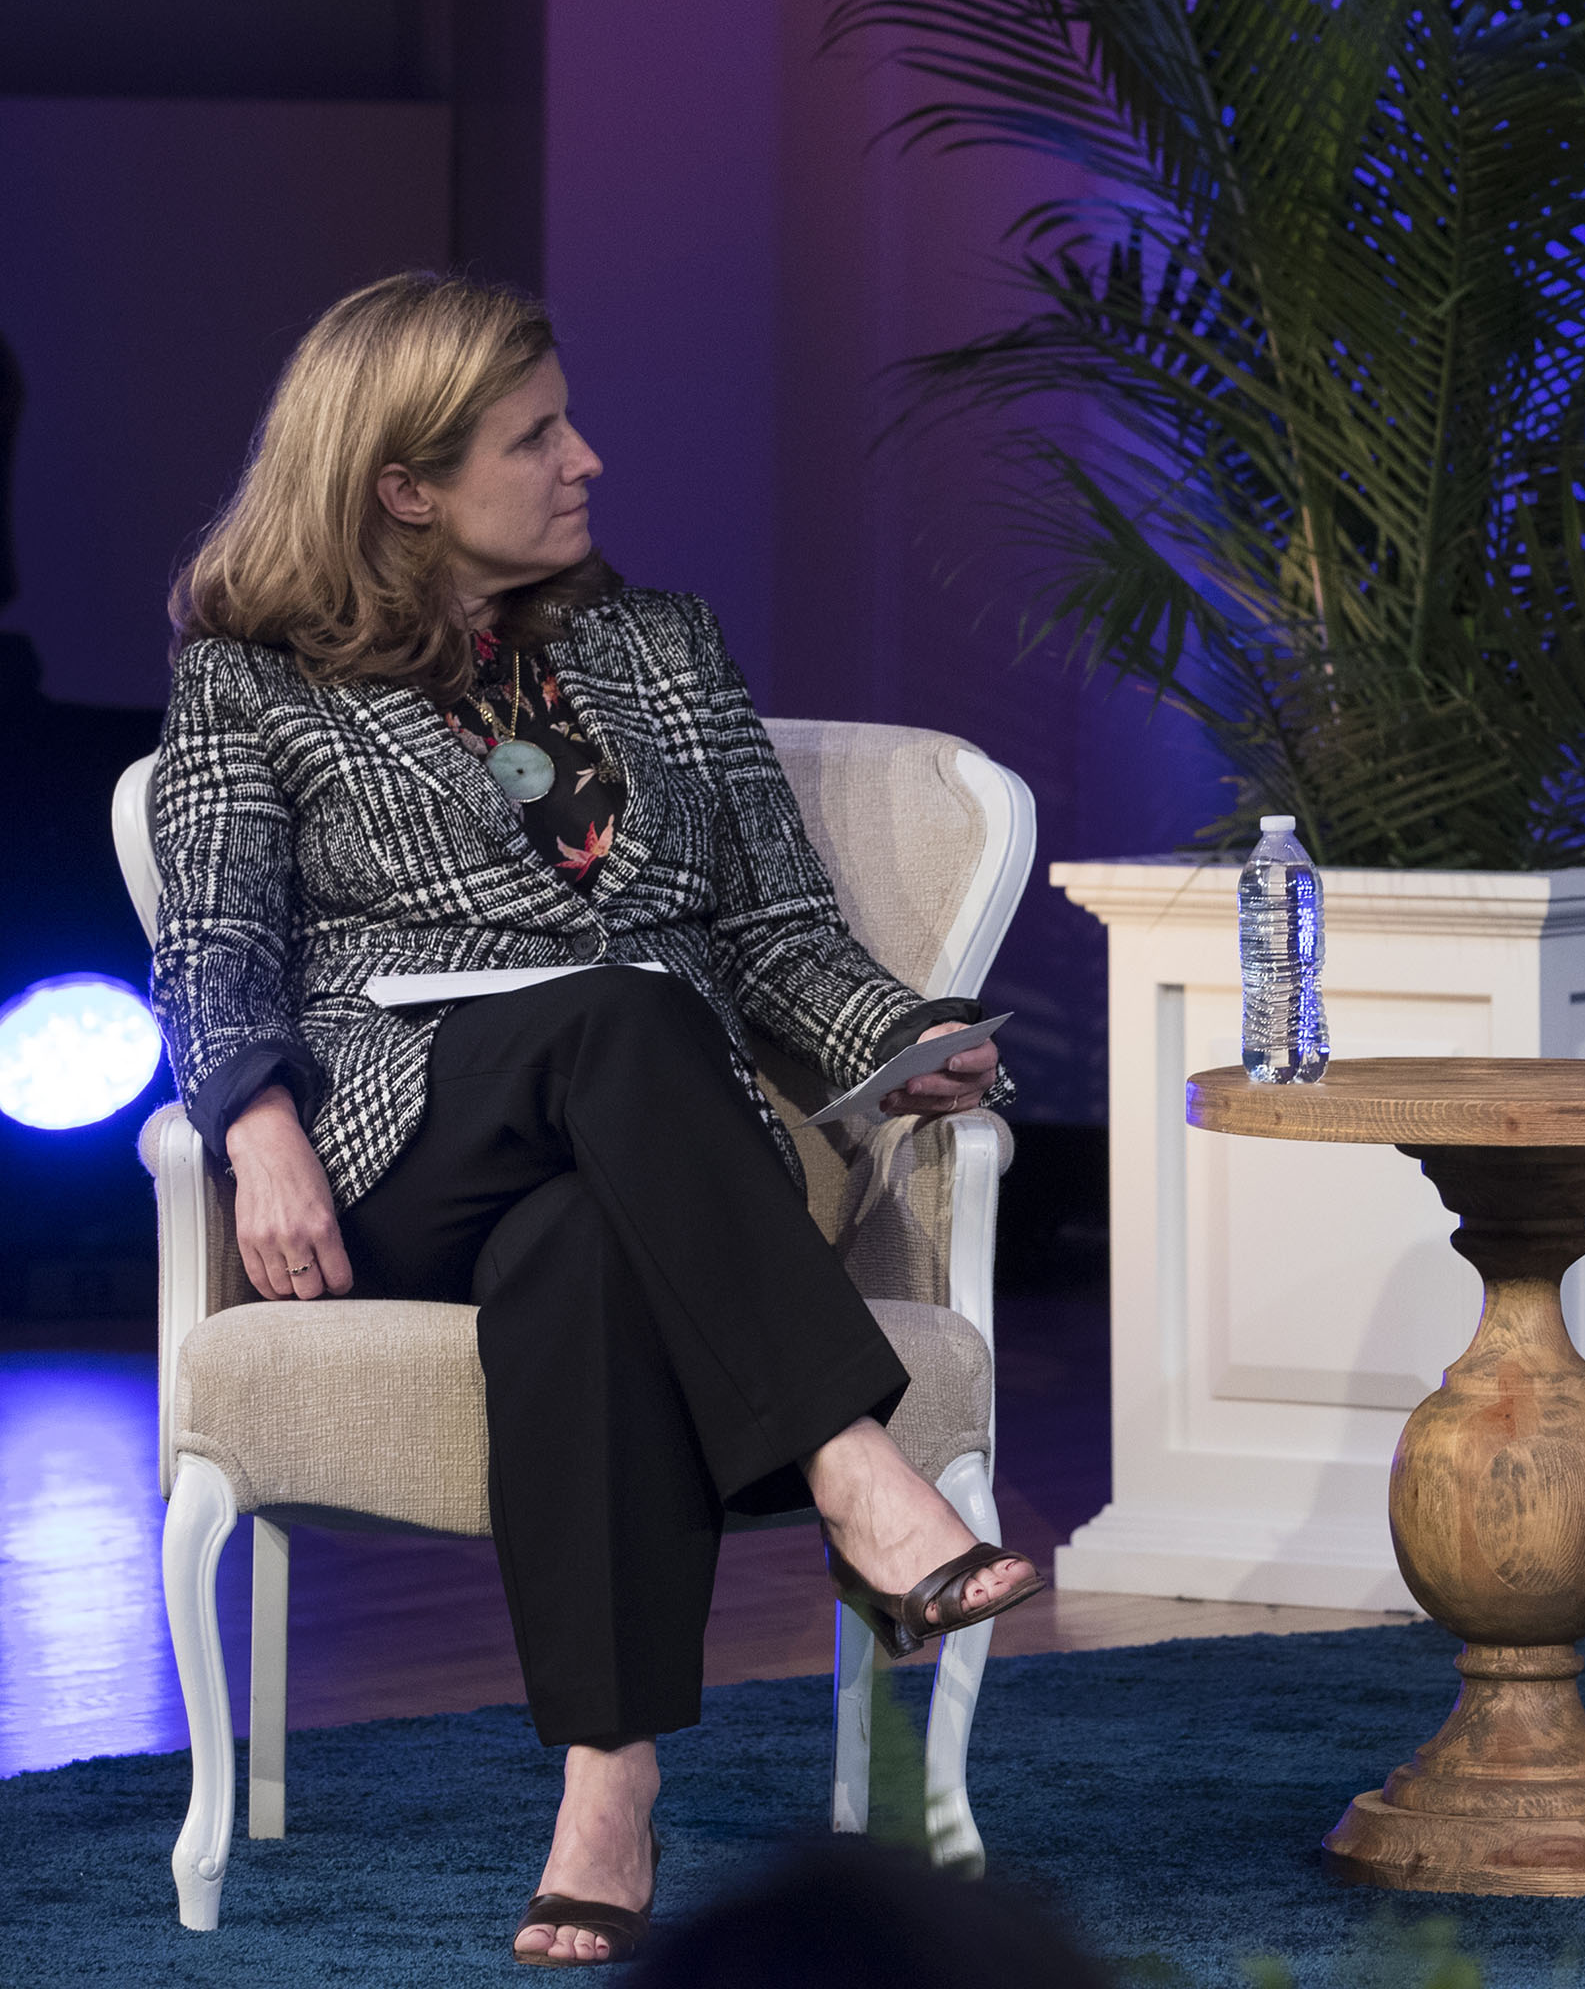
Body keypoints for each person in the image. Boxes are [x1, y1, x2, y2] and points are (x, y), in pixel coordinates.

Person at [152, 271, 1046, 1967]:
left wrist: (909, 1034)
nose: (590, 459)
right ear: (405, 486)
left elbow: (778, 926)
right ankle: (854, 1463)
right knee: (617, 1018)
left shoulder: (659, 644)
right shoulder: (253, 680)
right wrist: (256, 1124)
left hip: (659, 1139)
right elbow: (210, 942)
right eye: (537, 434)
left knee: (585, 1243)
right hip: (403, 1139)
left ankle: (606, 1789)